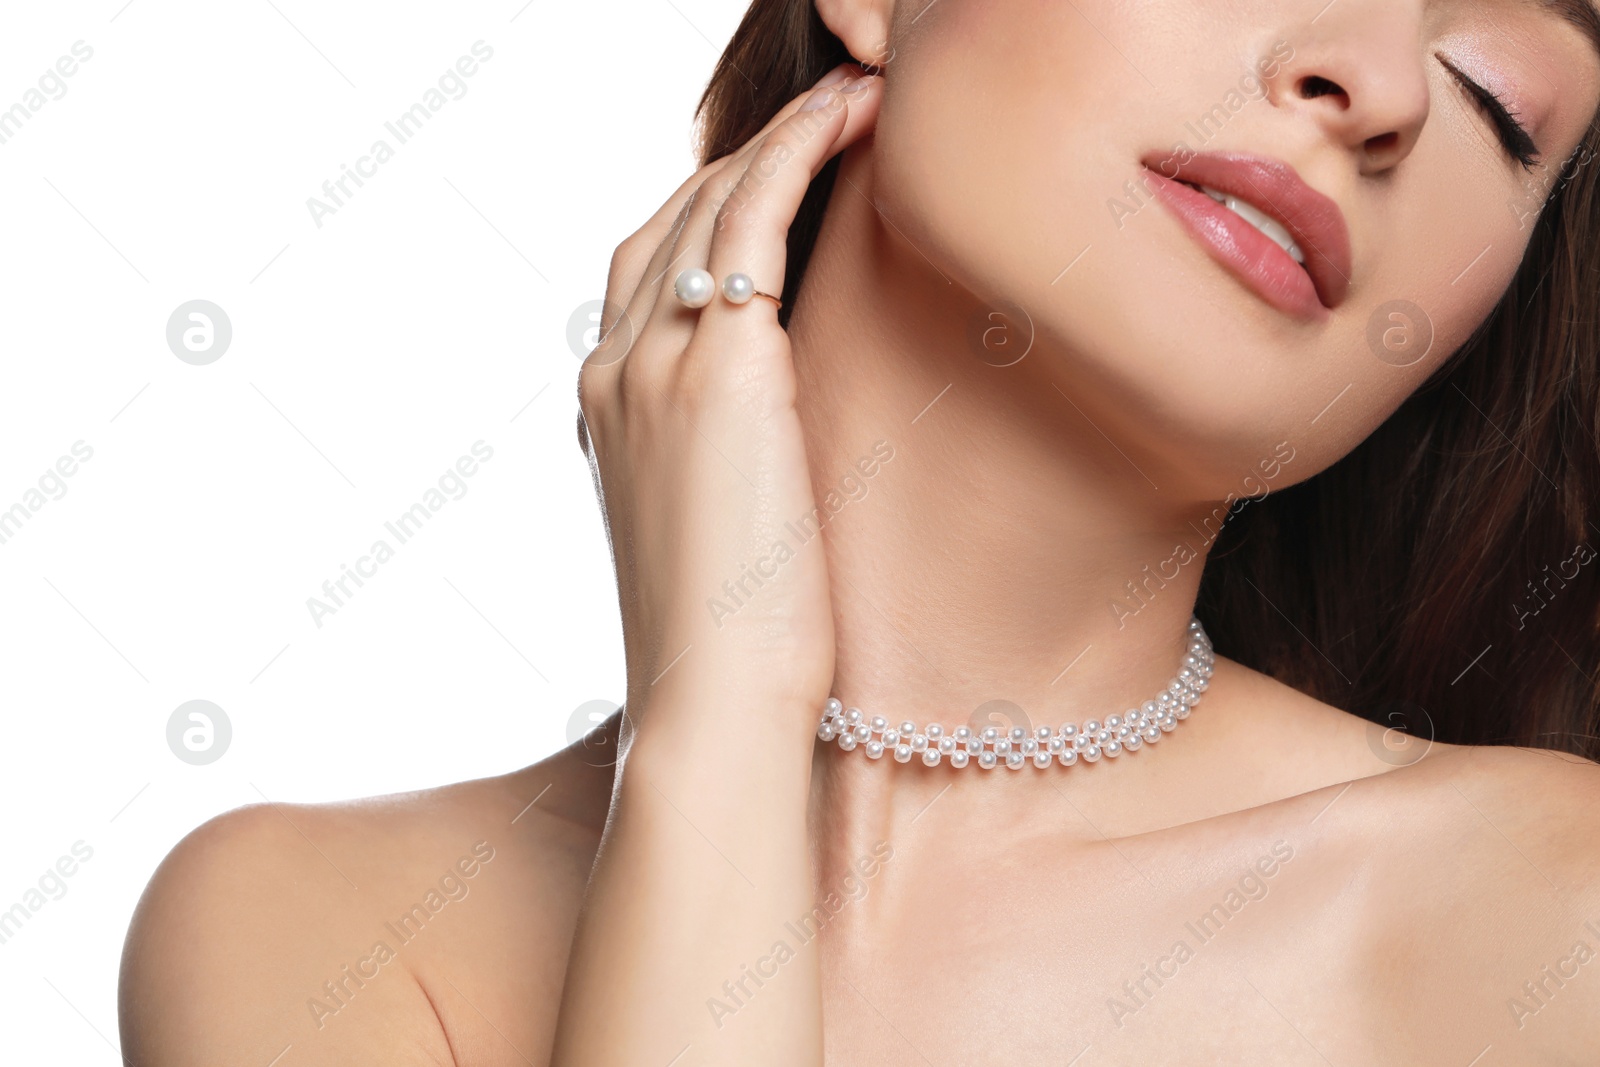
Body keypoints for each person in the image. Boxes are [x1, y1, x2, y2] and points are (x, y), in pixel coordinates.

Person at [119, 0, 1600, 1063]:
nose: (1384, 77)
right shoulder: (319, 938)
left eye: (1497, 98)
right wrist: (726, 704)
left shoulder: (1546, 918)